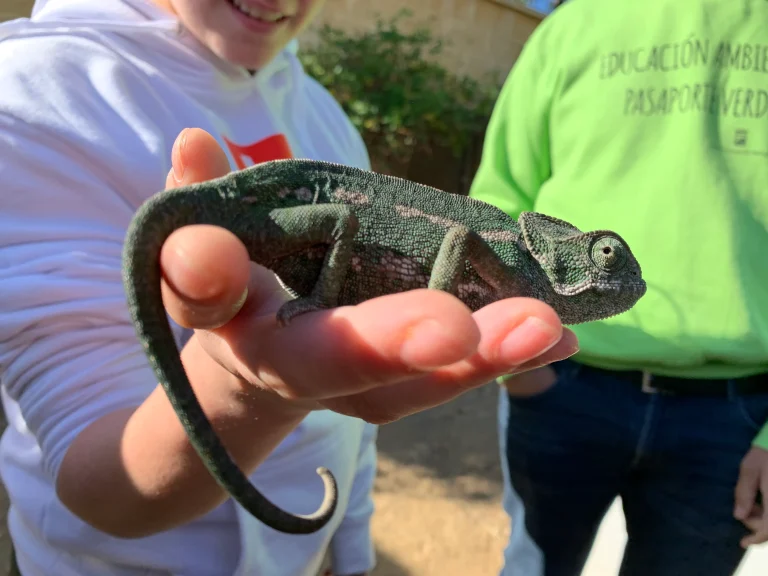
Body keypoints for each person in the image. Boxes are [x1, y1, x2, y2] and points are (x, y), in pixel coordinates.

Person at [0, 1, 578, 574]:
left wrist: (348, 545)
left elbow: (351, 432)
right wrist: (245, 383)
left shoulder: (324, 116)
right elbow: (100, 476)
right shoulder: (31, 90)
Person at [469, 0, 768, 574]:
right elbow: (498, 206)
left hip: (737, 418)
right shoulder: (575, 23)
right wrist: (521, 368)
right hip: (562, 381)